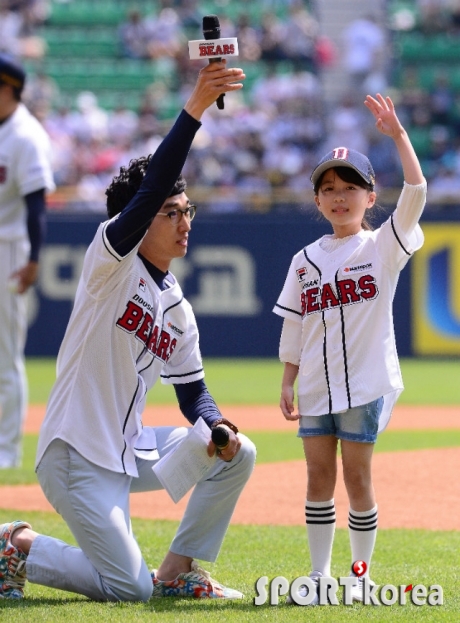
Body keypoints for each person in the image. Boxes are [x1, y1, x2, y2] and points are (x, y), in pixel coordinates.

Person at [0, 60, 256, 601]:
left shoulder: (178, 307)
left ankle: (179, 570)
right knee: (127, 591)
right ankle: (15, 543)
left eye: (188, 211)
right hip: (75, 456)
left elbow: (193, 394)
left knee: (241, 452)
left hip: (129, 449)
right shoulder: (109, 265)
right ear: (141, 221)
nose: (185, 221)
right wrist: (194, 110)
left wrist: (214, 425)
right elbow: (152, 185)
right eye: (170, 212)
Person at [273, 94, 426, 604]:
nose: (339, 197)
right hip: (315, 385)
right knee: (318, 478)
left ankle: (359, 576)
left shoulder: (381, 247)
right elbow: (294, 325)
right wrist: (288, 379)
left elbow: (418, 191)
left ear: (369, 194)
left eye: (350, 188)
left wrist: (398, 137)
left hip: (363, 383)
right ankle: (319, 576)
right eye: (329, 189)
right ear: (317, 200)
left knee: (357, 479)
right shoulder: (303, 259)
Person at [0, 52, 54, 468]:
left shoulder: (25, 135)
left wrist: (35, 259)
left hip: (10, 249)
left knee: (4, 357)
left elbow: (37, 204)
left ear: (9, 90)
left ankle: (6, 453)